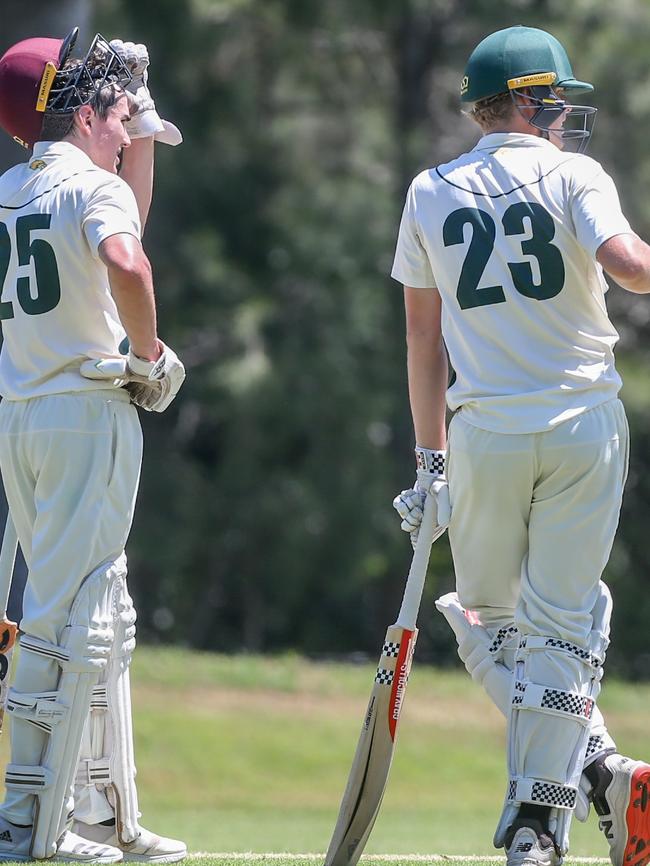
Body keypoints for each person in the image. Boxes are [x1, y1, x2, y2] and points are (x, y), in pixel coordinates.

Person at [391, 24, 650, 866]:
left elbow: (422, 345)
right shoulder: (576, 173)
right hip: (583, 426)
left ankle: (540, 816)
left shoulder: (430, 188)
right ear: (534, 101)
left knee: (485, 620)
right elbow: (629, 265)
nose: (565, 118)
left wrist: (430, 458)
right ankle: (593, 773)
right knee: (562, 628)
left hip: (485, 434)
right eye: (557, 102)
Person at [0, 28, 186, 863]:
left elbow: (120, 222)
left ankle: (105, 814)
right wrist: (147, 356)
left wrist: (138, 120)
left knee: (100, 615)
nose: (121, 114)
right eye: (109, 105)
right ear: (79, 114)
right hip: (87, 409)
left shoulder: (14, 189)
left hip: (25, 414)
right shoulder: (88, 192)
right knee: (64, 619)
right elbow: (128, 260)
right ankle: (27, 822)